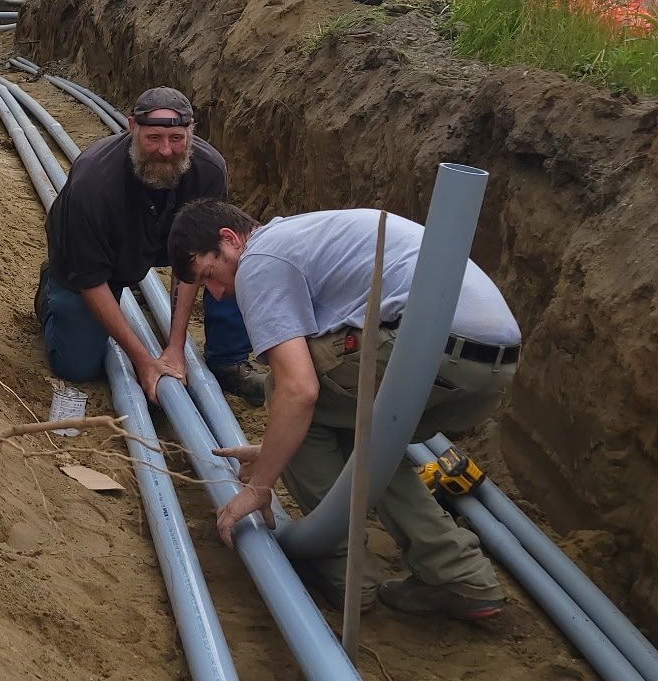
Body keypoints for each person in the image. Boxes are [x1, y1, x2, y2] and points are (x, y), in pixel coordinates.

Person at [167, 197, 522, 621]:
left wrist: (260, 486)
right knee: (368, 437)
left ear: (229, 239)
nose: (219, 293)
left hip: (434, 348)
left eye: (212, 274)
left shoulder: (261, 258)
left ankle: (342, 572)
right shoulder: (307, 236)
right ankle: (460, 576)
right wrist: (276, 447)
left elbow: (300, 392)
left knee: (285, 388)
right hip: (491, 369)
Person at [36, 89, 265, 406]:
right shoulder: (93, 184)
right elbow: (91, 280)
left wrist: (175, 347)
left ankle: (228, 359)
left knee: (234, 264)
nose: (166, 151)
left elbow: (200, 258)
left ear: (191, 131)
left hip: (164, 240)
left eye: (176, 138)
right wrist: (144, 362)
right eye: (154, 138)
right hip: (99, 258)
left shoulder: (209, 170)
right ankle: (52, 293)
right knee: (75, 365)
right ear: (132, 127)